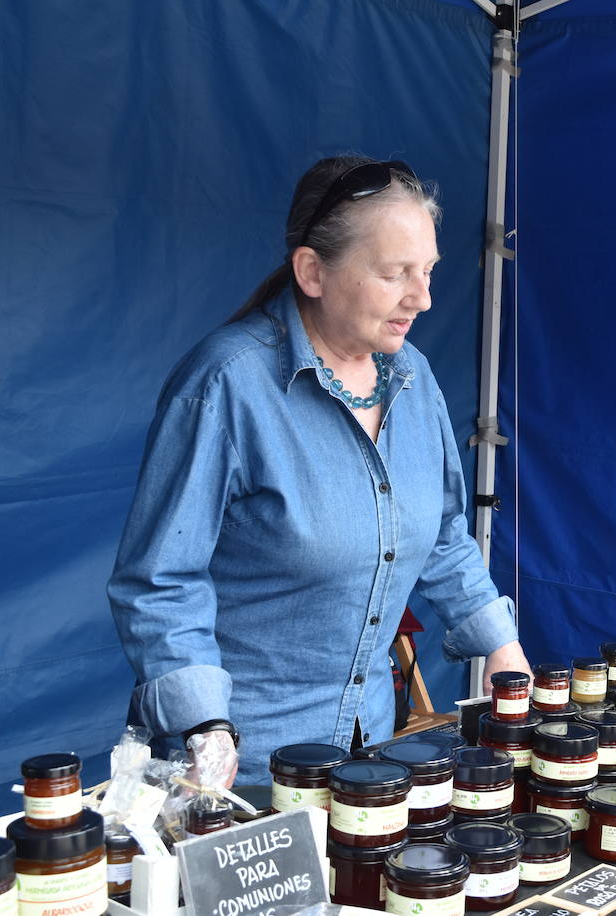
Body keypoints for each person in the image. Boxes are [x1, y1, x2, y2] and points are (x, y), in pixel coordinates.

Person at [109, 156, 529, 785]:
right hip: (244, 768)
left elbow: (442, 534)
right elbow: (160, 581)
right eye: (394, 274)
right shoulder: (226, 385)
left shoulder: (414, 377)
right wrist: (207, 730)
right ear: (312, 271)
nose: (423, 298)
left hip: (372, 756)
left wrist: (504, 650)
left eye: (428, 272)